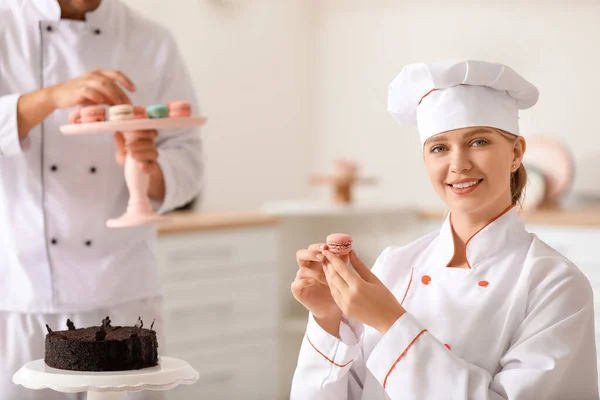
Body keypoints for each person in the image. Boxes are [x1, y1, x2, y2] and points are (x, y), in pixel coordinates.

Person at [290, 60, 599, 399]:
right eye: (439, 148)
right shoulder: (395, 265)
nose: (458, 164)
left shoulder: (556, 284)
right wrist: (328, 320)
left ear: (516, 153)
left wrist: (390, 321)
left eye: (478, 142)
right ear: (425, 160)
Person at [0, 0, 202, 399]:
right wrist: (49, 98)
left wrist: (145, 169)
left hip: (126, 297)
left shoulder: (151, 39)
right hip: (22, 295)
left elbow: (189, 161)